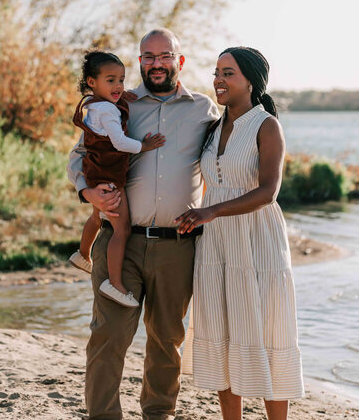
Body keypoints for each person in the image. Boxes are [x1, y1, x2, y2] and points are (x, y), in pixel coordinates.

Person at [67, 29, 219, 420]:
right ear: (139, 61)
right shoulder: (120, 106)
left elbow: (227, 160)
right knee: (107, 336)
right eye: (148, 56)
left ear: (179, 62)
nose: (156, 63)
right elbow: (79, 155)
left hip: (177, 246)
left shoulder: (204, 110)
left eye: (164, 56)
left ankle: (158, 414)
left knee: (168, 339)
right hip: (121, 240)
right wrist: (88, 193)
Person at [176, 47, 304, 420]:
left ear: (250, 80)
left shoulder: (267, 125)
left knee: (267, 334)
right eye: (216, 71)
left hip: (257, 243)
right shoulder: (214, 128)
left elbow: (268, 191)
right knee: (222, 331)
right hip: (216, 246)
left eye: (228, 73)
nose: (218, 79)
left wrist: (209, 211)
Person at [69, 50, 165, 308]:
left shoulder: (93, 104)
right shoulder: (108, 112)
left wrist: (122, 96)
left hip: (95, 172)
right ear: (92, 81)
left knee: (96, 217)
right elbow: (120, 142)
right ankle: (115, 283)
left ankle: (82, 254)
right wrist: (144, 146)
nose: (119, 86)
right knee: (121, 230)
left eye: (121, 80)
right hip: (110, 177)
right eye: (110, 80)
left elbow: (108, 113)